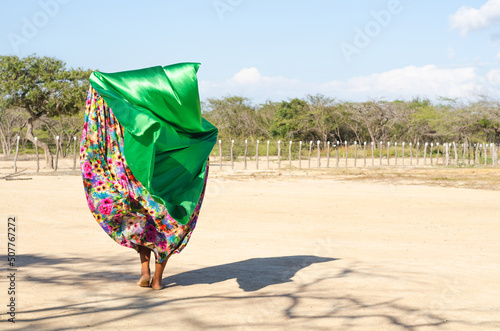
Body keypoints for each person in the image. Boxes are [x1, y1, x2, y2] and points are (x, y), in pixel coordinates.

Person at [80, 63, 218, 290]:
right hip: (172, 182)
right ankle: (157, 279)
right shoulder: (178, 126)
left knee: (141, 223)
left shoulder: (138, 118)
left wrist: (101, 81)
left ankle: (144, 271)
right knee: (167, 225)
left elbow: (135, 84)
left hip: (139, 180)